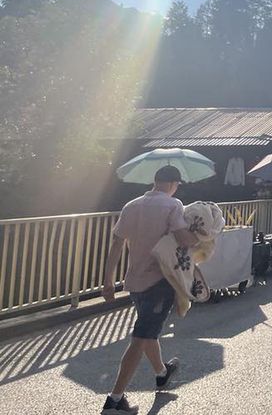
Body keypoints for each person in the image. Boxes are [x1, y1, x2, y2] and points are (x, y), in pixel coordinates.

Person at [100, 166, 201, 415]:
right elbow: (183, 238)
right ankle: (114, 401)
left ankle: (162, 373)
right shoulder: (173, 205)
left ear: (155, 181)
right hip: (159, 281)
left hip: (134, 280)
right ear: (173, 183)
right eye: (177, 185)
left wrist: (108, 281)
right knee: (142, 337)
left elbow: (117, 243)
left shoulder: (131, 205)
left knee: (148, 331)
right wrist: (200, 235)